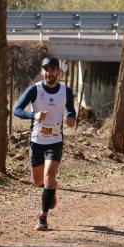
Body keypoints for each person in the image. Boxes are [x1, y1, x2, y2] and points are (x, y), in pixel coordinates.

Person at [14, 56, 76, 231]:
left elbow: (71, 109)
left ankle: (43, 217)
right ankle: (51, 190)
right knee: (38, 181)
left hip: (55, 141)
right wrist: (34, 115)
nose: (49, 72)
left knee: (49, 176)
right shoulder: (34, 90)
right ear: (42, 71)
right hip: (36, 141)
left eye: (52, 69)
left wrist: (71, 117)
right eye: (46, 69)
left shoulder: (66, 91)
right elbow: (16, 110)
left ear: (58, 71)